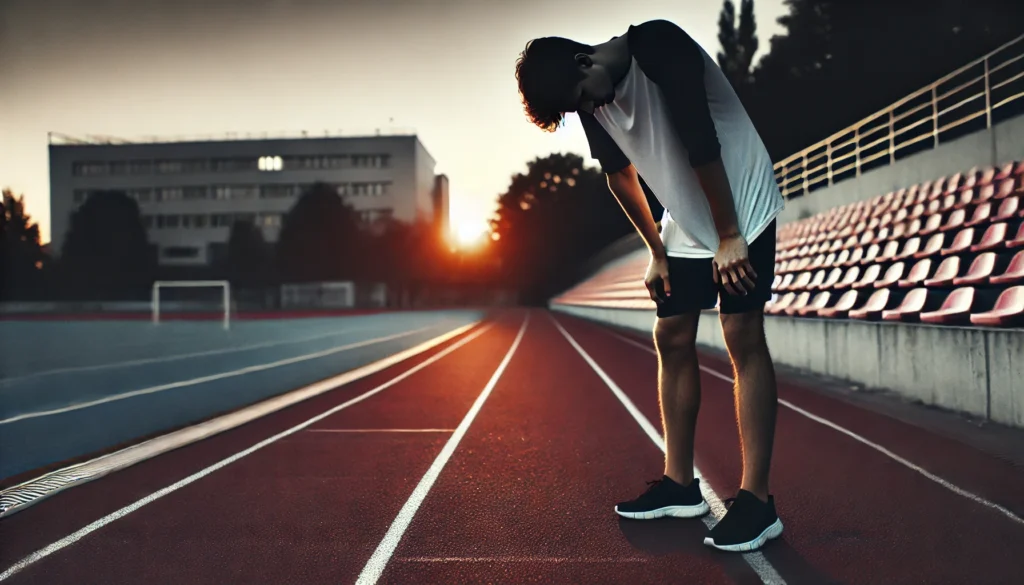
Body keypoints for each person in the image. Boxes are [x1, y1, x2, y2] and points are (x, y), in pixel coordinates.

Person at [514, 18, 785, 552]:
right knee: (672, 336)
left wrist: (729, 236)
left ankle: (757, 503)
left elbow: (700, 144)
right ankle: (680, 485)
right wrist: (657, 252)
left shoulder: (658, 46)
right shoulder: (589, 98)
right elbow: (620, 175)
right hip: (686, 215)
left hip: (741, 201)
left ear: (584, 62)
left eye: (579, 99)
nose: (587, 111)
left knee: (741, 336)